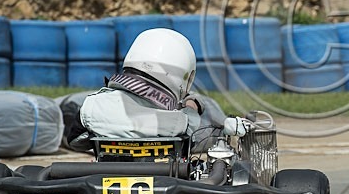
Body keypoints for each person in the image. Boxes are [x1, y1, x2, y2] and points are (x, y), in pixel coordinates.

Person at [66, 27, 246, 152]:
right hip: (161, 185)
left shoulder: (92, 106)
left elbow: (75, 142)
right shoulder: (177, 122)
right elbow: (196, 133)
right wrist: (193, 103)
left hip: (102, 182)